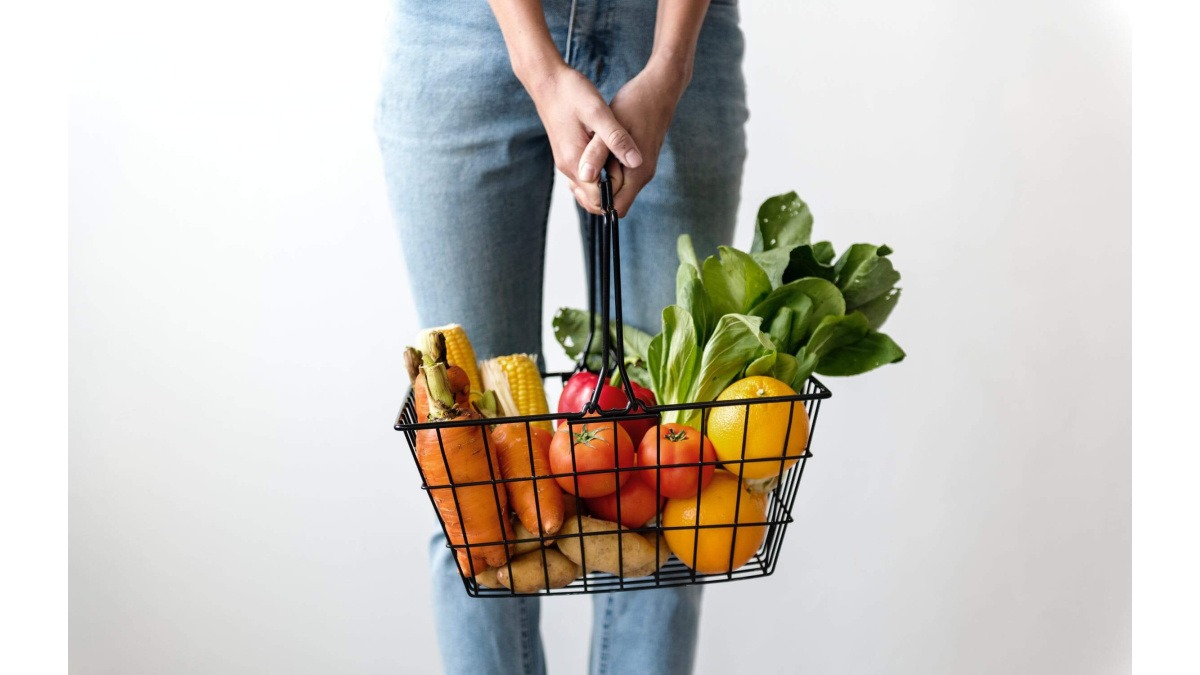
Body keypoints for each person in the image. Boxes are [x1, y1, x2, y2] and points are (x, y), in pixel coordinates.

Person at [376, 1, 747, 672]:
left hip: (668, 28)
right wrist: (534, 62)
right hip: (464, 29)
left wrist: (670, 64)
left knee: (674, 476)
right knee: (472, 486)